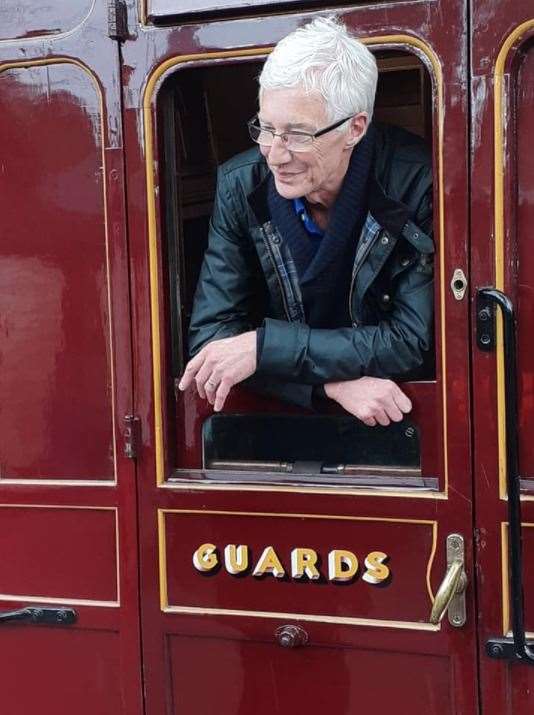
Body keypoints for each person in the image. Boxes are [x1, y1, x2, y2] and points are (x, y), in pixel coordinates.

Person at [179, 16, 434, 427]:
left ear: (355, 128)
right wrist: (328, 386)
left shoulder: (416, 180)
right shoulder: (239, 185)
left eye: (297, 134)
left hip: (400, 424)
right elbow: (213, 341)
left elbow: (408, 340)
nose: (274, 154)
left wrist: (263, 349)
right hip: (284, 426)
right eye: (265, 128)